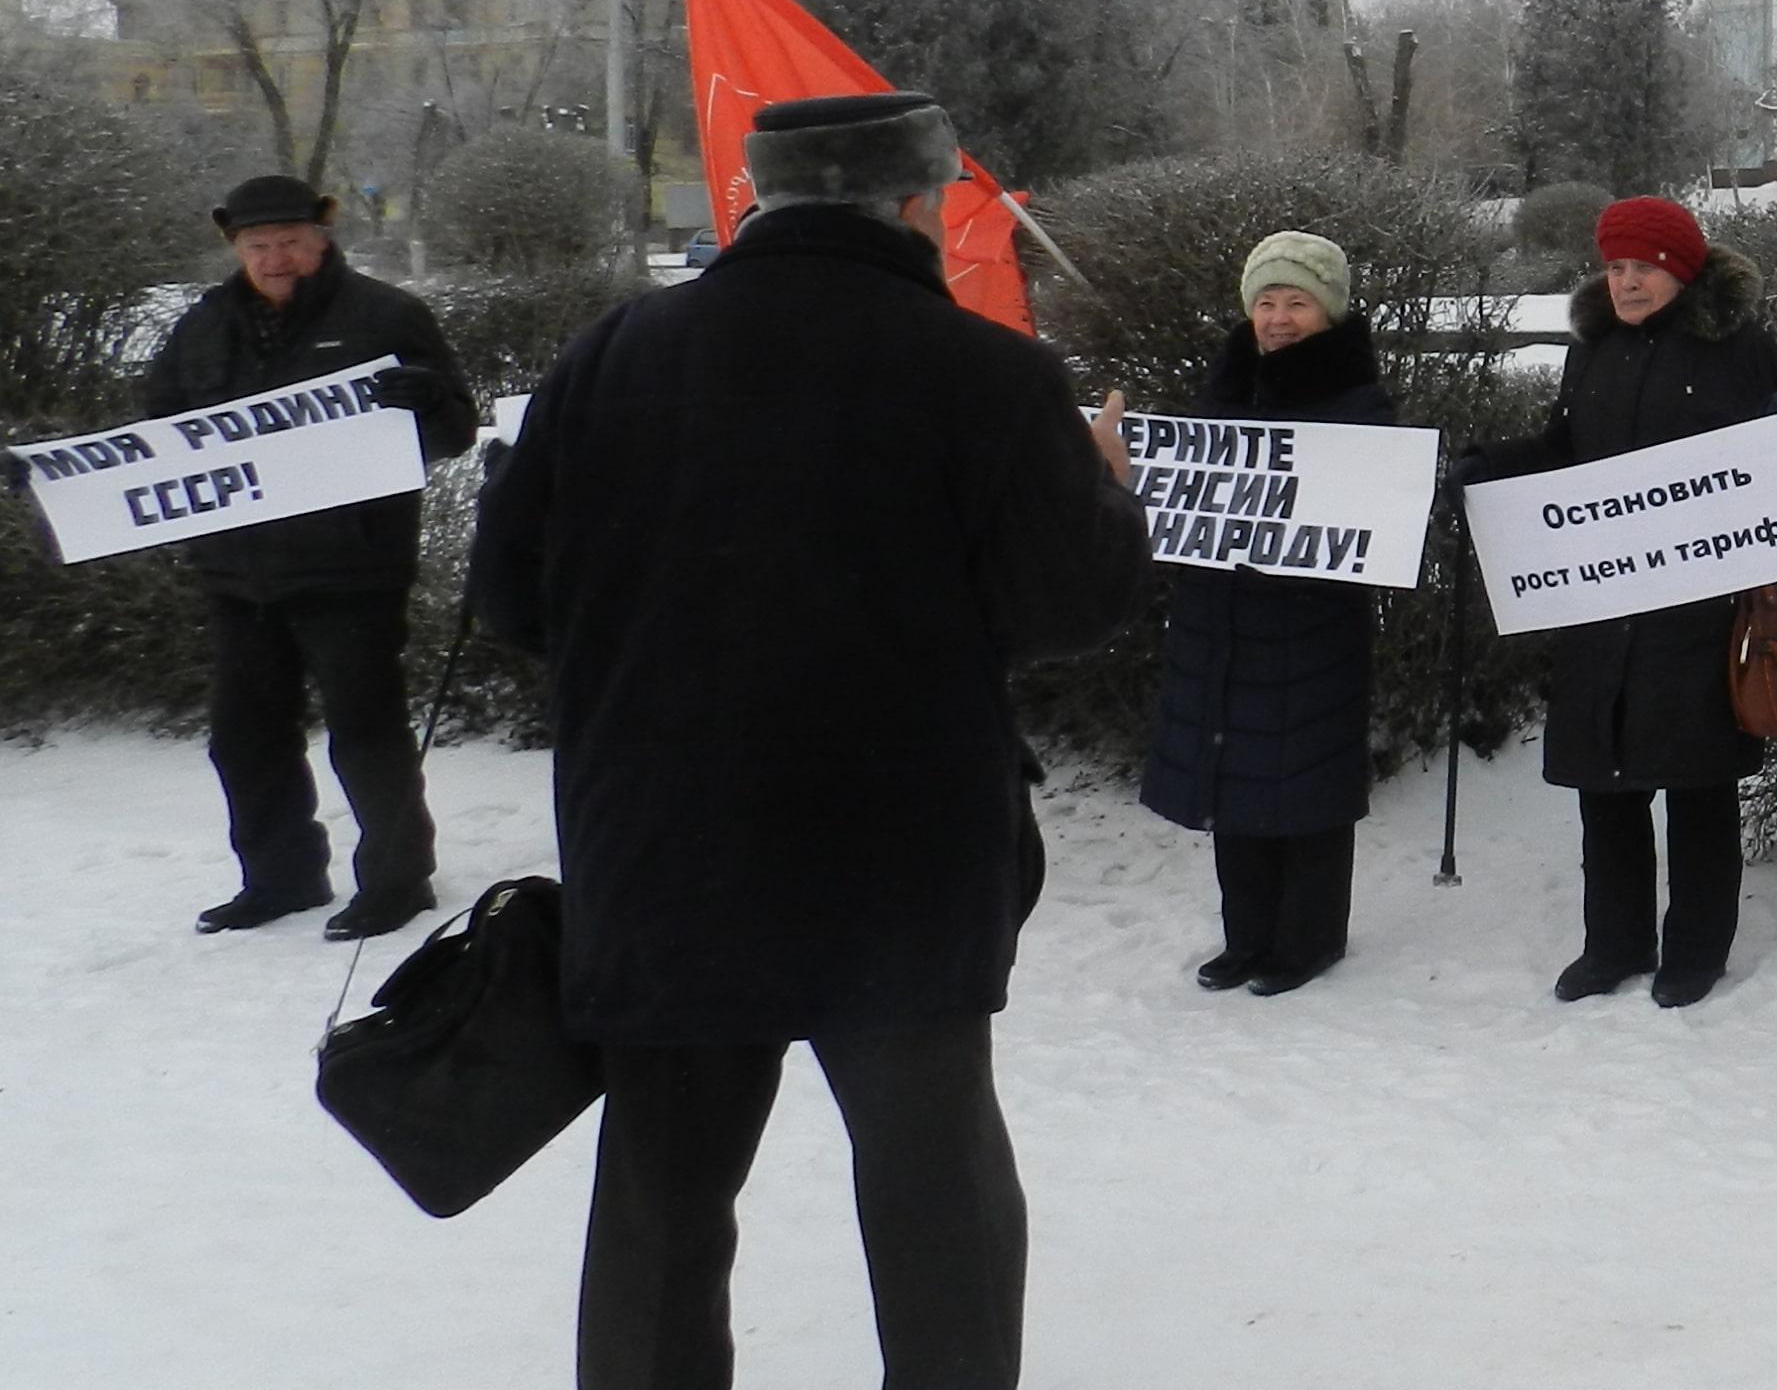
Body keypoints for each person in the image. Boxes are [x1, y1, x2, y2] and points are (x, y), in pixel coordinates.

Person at [470, 92, 1150, 1390]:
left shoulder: (609, 356)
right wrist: (1106, 499)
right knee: (933, 1183)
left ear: (759, 200)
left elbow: (510, 600)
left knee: (662, 1202)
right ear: (918, 202)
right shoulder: (986, 374)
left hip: (665, 851)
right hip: (896, 868)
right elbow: (1075, 605)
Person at [1461, 195, 1777, 1009]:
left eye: (1644, 267)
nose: (1628, 282)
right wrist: (1493, 466)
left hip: (1700, 604)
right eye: (1615, 267)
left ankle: (1694, 949)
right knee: (1604, 780)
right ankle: (1613, 944)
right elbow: (1562, 447)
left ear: (1680, 270)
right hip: (1602, 602)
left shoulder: (1737, 347)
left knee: (1697, 782)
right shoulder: (1595, 350)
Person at [144, 173, 477, 940]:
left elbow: (454, 431)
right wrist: (70, 476)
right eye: (259, 246)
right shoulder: (202, 326)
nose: (276, 259)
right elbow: (156, 441)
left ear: (322, 240)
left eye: (291, 243)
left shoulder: (386, 316)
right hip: (236, 572)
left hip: (350, 568)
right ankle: (280, 878)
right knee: (244, 737)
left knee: (366, 732)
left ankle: (398, 880)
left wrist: (426, 400)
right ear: (236, 249)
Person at [1140, 231, 1396, 996]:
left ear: (1329, 312)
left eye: (1297, 302)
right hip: (1221, 615)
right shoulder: (1225, 383)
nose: (1279, 318)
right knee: (1233, 778)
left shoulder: (1356, 397)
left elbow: (1370, 510)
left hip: (1309, 620)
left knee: (1306, 781)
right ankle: (1246, 937)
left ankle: (1309, 940)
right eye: (1266, 301)